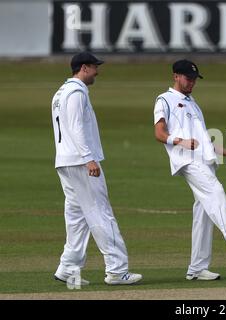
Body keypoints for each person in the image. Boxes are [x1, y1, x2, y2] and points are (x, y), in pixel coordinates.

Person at [153, 59, 226, 281]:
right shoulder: (164, 100)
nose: (191, 82)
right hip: (186, 161)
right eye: (187, 78)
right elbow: (160, 133)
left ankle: (197, 268)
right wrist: (180, 141)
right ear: (175, 76)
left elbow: (203, 140)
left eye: (194, 79)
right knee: (216, 191)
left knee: (204, 212)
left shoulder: (193, 104)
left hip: (204, 160)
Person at [51, 52, 142, 286]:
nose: (97, 72)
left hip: (66, 161)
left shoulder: (60, 93)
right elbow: (75, 127)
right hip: (80, 162)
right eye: (94, 67)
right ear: (83, 68)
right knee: (100, 212)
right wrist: (88, 158)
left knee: (77, 217)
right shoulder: (77, 92)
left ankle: (68, 268)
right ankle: (117, 270)